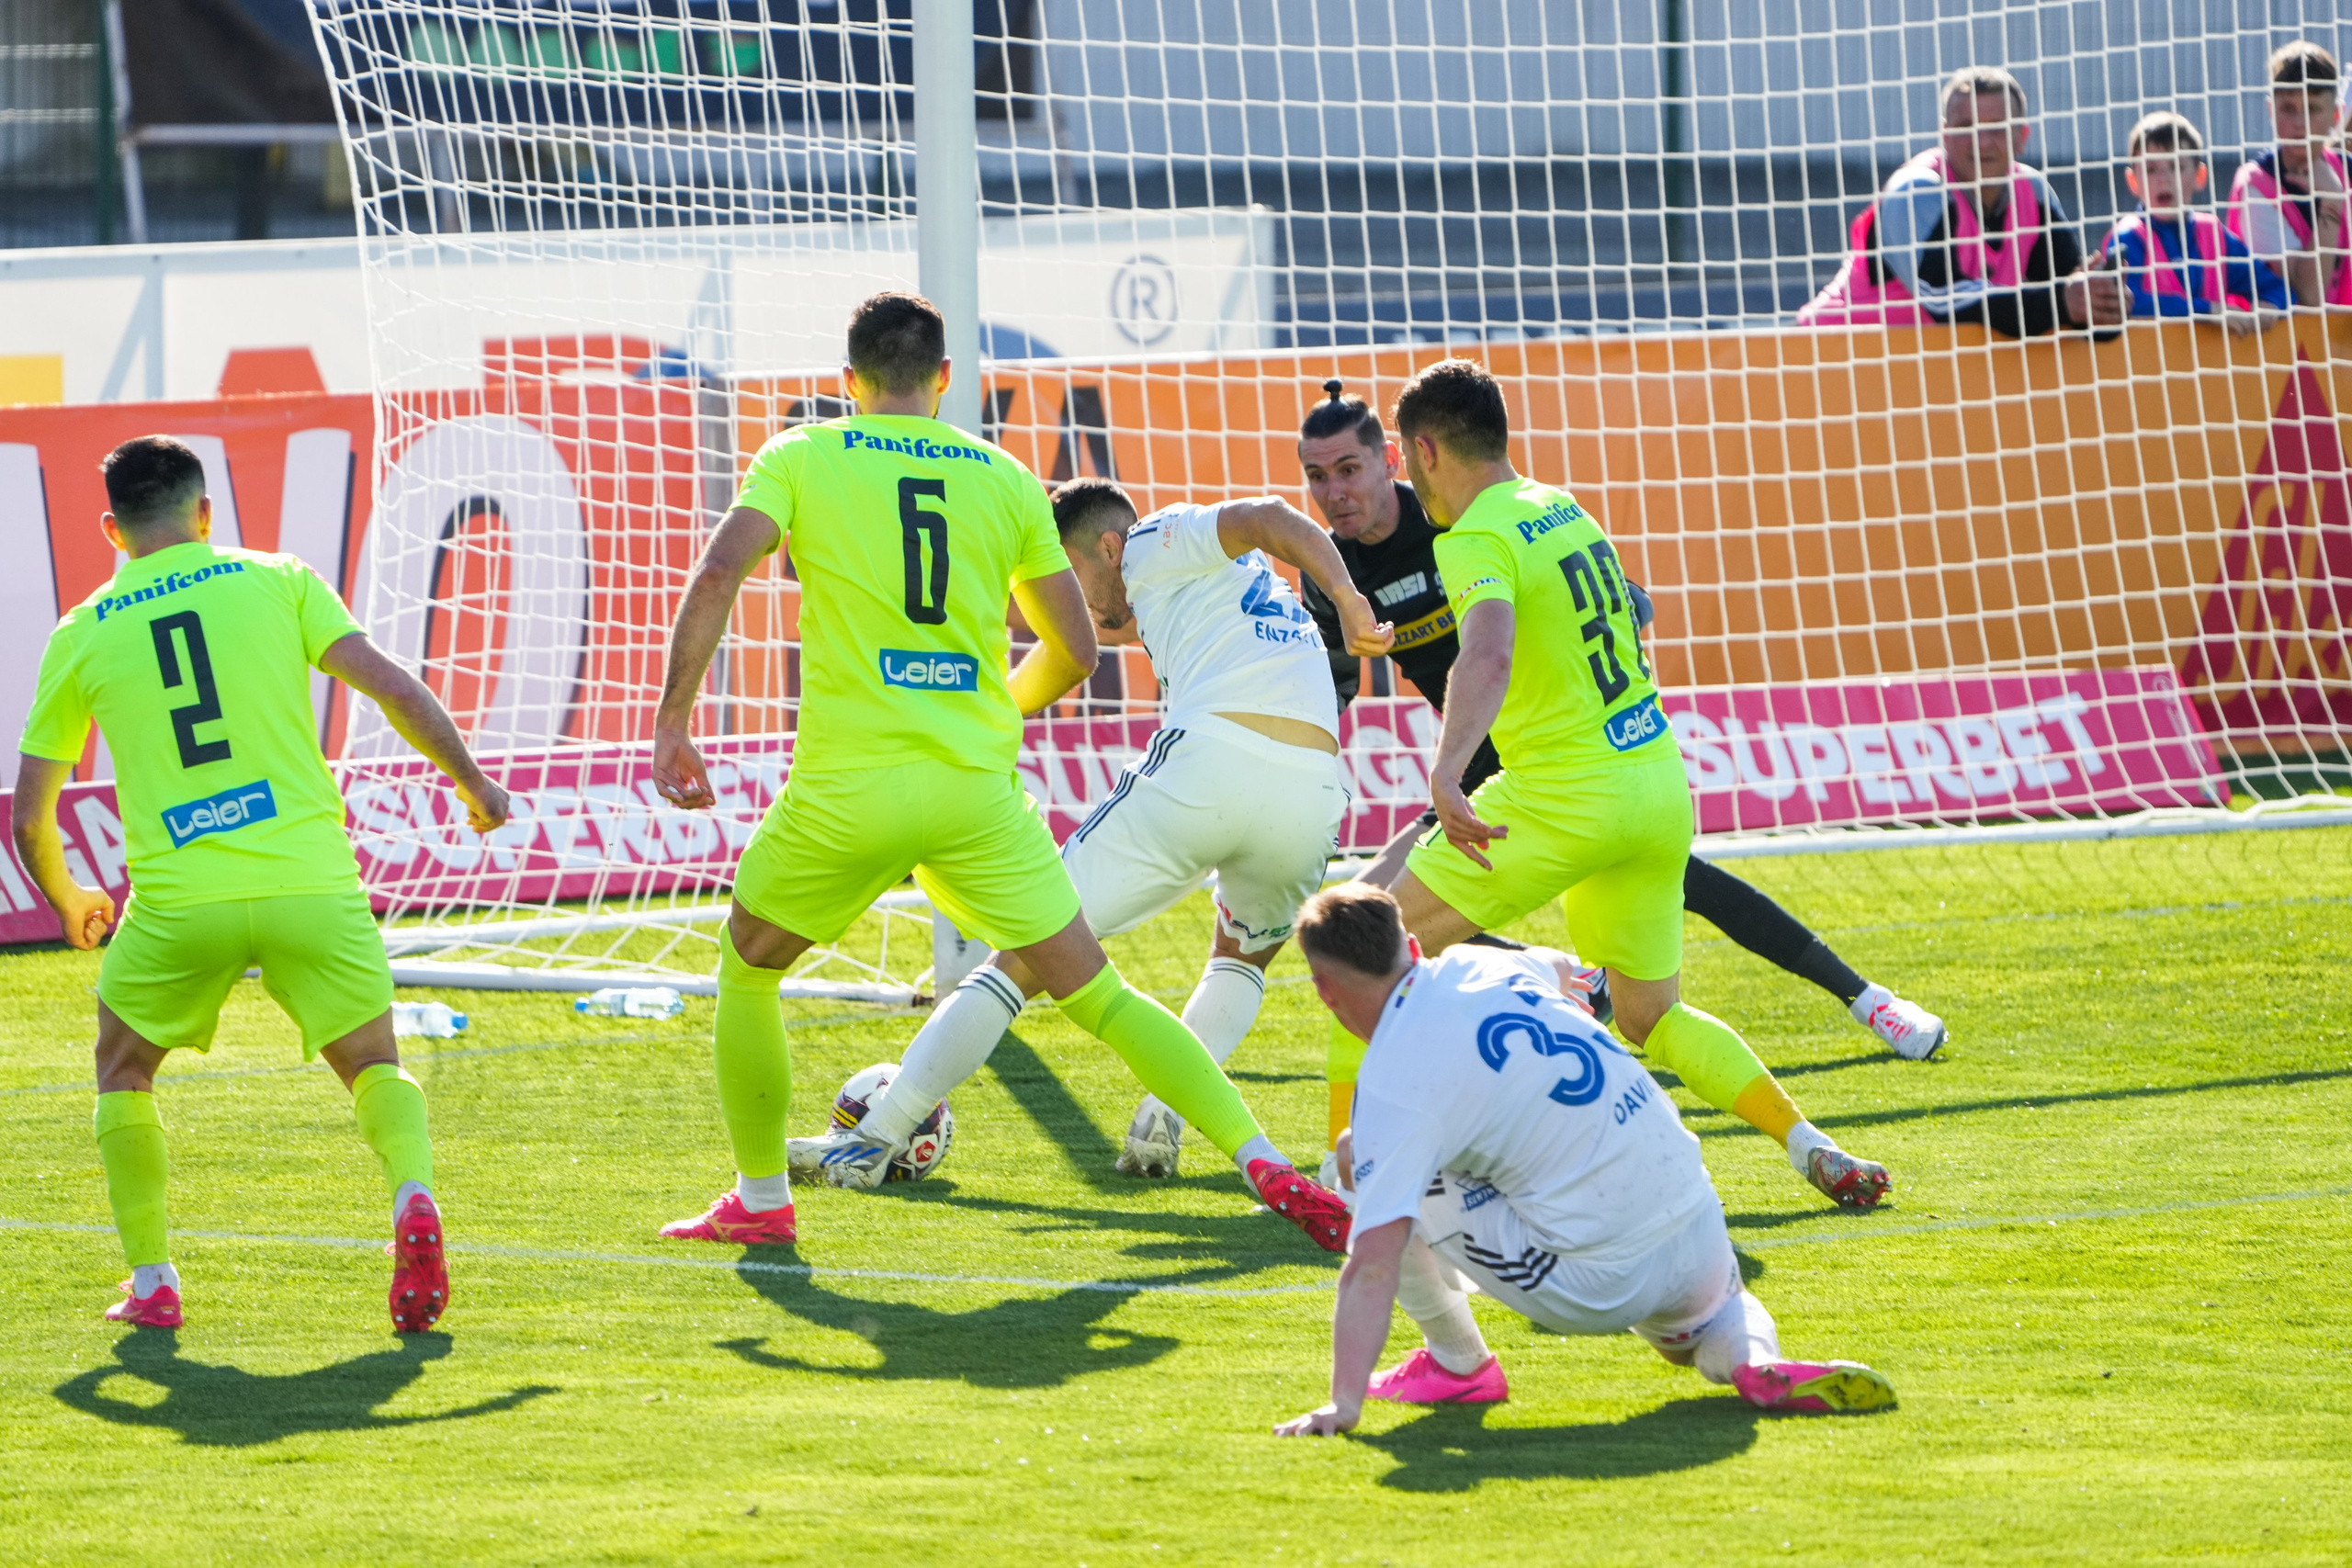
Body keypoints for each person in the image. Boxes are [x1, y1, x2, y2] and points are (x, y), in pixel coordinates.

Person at [649, 291, 1350, 1251]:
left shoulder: (800, 457)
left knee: (750, 968)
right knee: (1096, 993)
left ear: (847, 383)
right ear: (943, 381)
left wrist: (674, 723)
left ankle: (763, 1200)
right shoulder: (1008, 480)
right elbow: (1074, 650)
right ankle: (1262, 1158)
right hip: (977, 797)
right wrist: (977, 711)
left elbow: (721, 569)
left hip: (848, 788)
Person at [1295, 379, 1946, 1161]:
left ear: (1414, 456)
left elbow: (1490, 649)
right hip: (1652, 779)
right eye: (1317, 475)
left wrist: (1445, 774)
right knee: (1651, 1017)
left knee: (1358, 943)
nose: (1334, 491)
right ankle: (1807, 1142)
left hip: (1548, 788)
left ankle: (1348, 1165)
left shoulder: (1465, 538)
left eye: (1349, 469)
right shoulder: (1564, 507)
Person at [11, 435, 509, 1332]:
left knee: (123, 1070)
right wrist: (472, 783)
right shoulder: (278, 579)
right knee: (372, 1066)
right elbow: (391, 687)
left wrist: (70, 898)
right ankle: (410, 1193)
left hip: (178, 905)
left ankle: (155, 1283)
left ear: (111, 531)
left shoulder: (82, 631)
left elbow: (30, 818)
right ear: (206, 516)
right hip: (310, 887)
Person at [792, 477, 1394, 1183]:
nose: (1066, 601)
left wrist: (1350, 600)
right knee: (1241, 957)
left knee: (1025, 951)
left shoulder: (1152, 539)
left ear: (1109, 546)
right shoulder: (1220, 590)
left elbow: (1270, 514)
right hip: (1314, 790)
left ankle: (877, 1136)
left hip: (1209, 765)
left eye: (1070, 578)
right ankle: (1163, 1118)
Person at [1271, 885, 1896, 1436]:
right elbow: (1560, 966)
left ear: (1326, 992)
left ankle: (1457, 1362)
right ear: (1411, 942)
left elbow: (1373, 1265)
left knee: (1366, 1157)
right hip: (1696, 1215)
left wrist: (1341, 1403)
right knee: (1709, 1316)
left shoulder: (1392, 1082)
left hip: (1599, 1281)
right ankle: (1752, 1359)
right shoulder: (1481, 962)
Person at [1799, 65, 2123, 334]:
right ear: (1944, 135)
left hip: (1930, 379)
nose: (1981, 142)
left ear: (2022, 137)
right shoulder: (1917, 190)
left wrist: (2101, 301)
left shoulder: (2034, 193)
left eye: (1996, 127)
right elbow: (1943, 301)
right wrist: (2064, 303)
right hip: (1830, 359)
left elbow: (2066, 290)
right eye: (1966, 126)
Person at [2097, 111, 2289, 332]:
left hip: (2213, 364)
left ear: (2199, 176)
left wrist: (2271, 305)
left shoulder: (2214, 235)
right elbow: (2127, 304)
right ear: (2133, 181)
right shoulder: (2127, 238)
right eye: (2151, 169)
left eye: (2176, 167)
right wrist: (2207, 310)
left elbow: (2277, 288)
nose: (2164, 179)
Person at [2226, 41, 2350, 310]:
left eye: (2312, 109)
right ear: (2271, 110)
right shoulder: (2256, 186)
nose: (2299, 123)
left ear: (2336, 115)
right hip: (2281, 349)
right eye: (2288, 108)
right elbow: (2309, 296)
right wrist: (2331, 202)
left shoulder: (2348, 169)